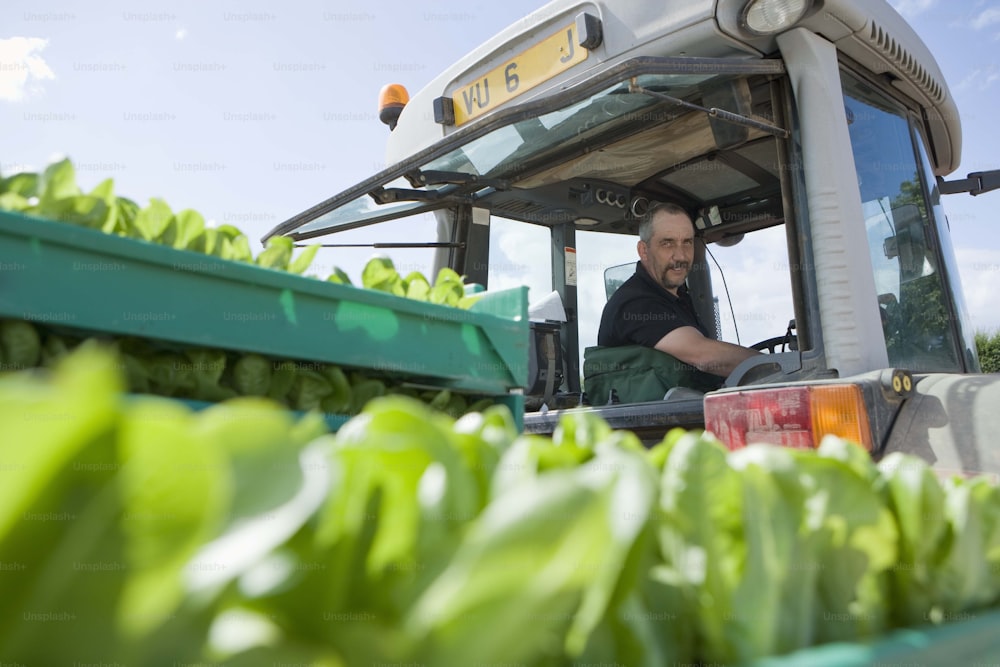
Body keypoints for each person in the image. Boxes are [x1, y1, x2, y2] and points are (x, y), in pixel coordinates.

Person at [597, 202, 761, 379]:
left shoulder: (677, 296)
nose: (681, 255)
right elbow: (704, 355)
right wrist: (779, 365)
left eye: (687, 243)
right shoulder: (635, 303)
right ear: (643, 251)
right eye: (668, 243)